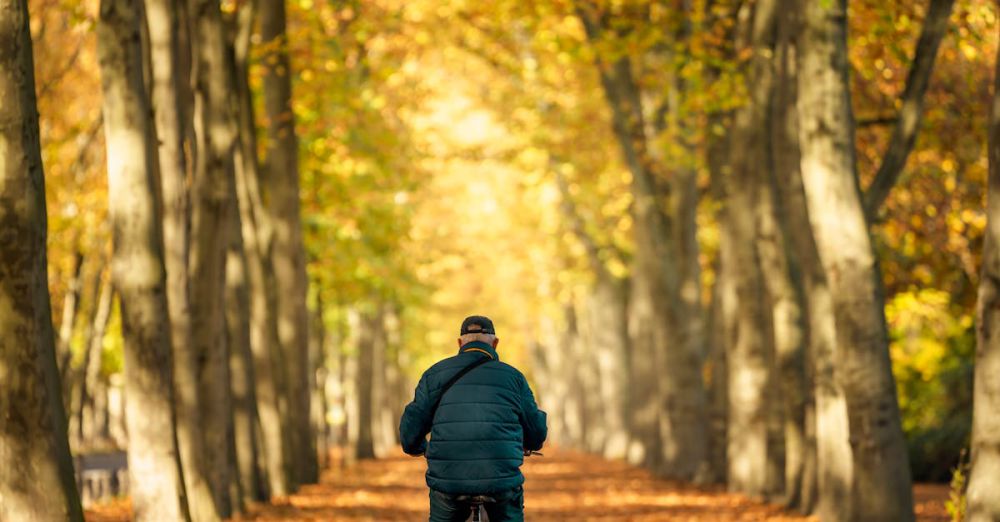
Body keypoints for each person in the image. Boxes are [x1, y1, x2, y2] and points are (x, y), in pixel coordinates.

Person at [399, 315, 548, 522]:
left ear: (460, 343)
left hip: (448, 480)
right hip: (501, 480)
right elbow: (536, 430)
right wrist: (530, 443)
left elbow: (411, 426)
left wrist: (417, 447)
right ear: (495, 344)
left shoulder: (434, 375)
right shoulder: (514, 378)